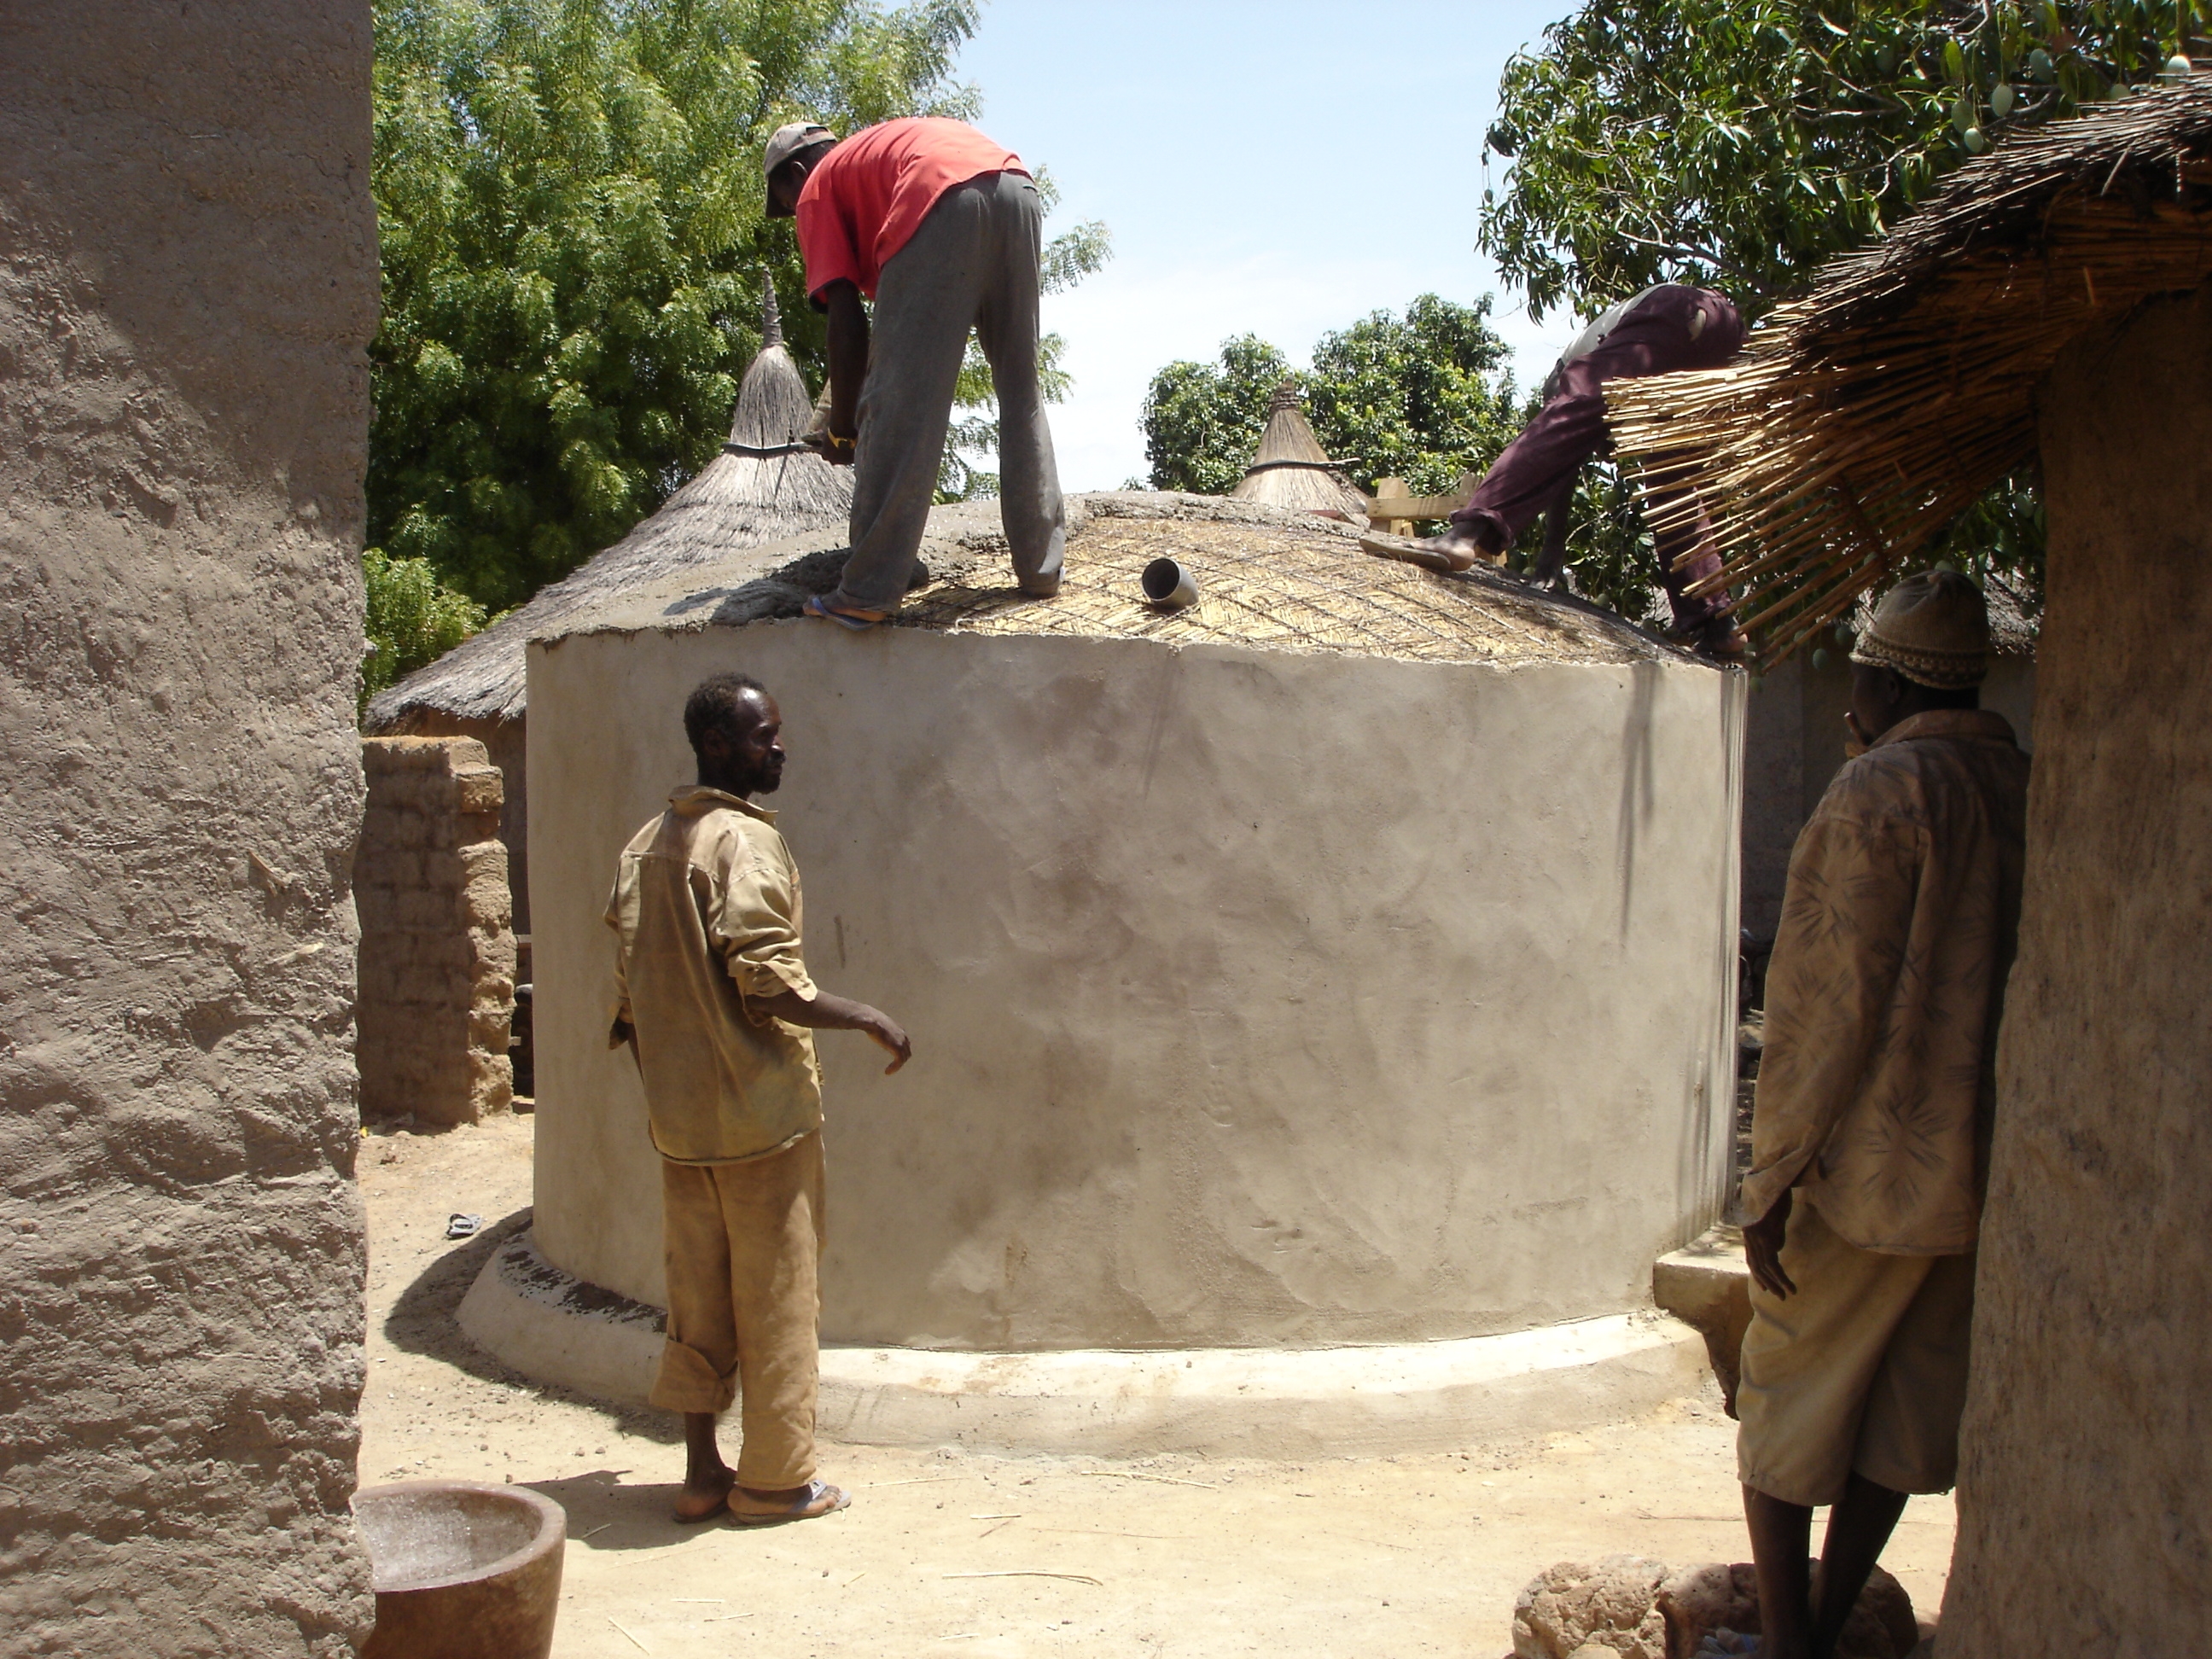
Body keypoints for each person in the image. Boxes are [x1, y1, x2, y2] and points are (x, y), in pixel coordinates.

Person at [1732, 573, 2030, 1657]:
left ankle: (1787, 1639)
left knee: (1784, 1398)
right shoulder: (2019, 785)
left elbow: (1821, 1010)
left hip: (1861, 1172)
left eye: (1860, 670)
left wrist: (1768, 1181)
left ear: (1888, 678)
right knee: (1902, 1418)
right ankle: (1827, 1613)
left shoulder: (1878, 792)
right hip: (1976, 1167)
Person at [606, 672, 911, 1526]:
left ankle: (703, 1473)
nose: (778, 748)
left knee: (696, 1300)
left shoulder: (646, 845)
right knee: (777, 1299)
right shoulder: (745, 842)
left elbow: (627, 998)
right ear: (716, 746)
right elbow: (768, 983)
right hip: (764, 1124)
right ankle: (776, 1482)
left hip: (681, 1128)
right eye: (762, 736)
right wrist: (868, 1018)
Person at [763, 117, 1063, 629]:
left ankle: (868, 589)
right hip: (1017, 189)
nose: (793, 213)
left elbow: (847, 320)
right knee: (1022, 391)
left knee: (902, 405)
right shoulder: (872, 158)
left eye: (784, 202)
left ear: (795, 173)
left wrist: (842, 427)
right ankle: (1041, 568)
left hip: (941, 199)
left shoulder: (817, 188)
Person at [1360, 282, 1748, 661]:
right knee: (1673, 482)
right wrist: (1552, 554)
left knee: (1577, 407)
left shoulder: (1567, 370)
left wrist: (1550, 552)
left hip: (1676, 307)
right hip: (1727, 330)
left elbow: (1564, 442)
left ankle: (1464, 534)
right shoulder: (1637, 355)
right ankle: (1717, 624)